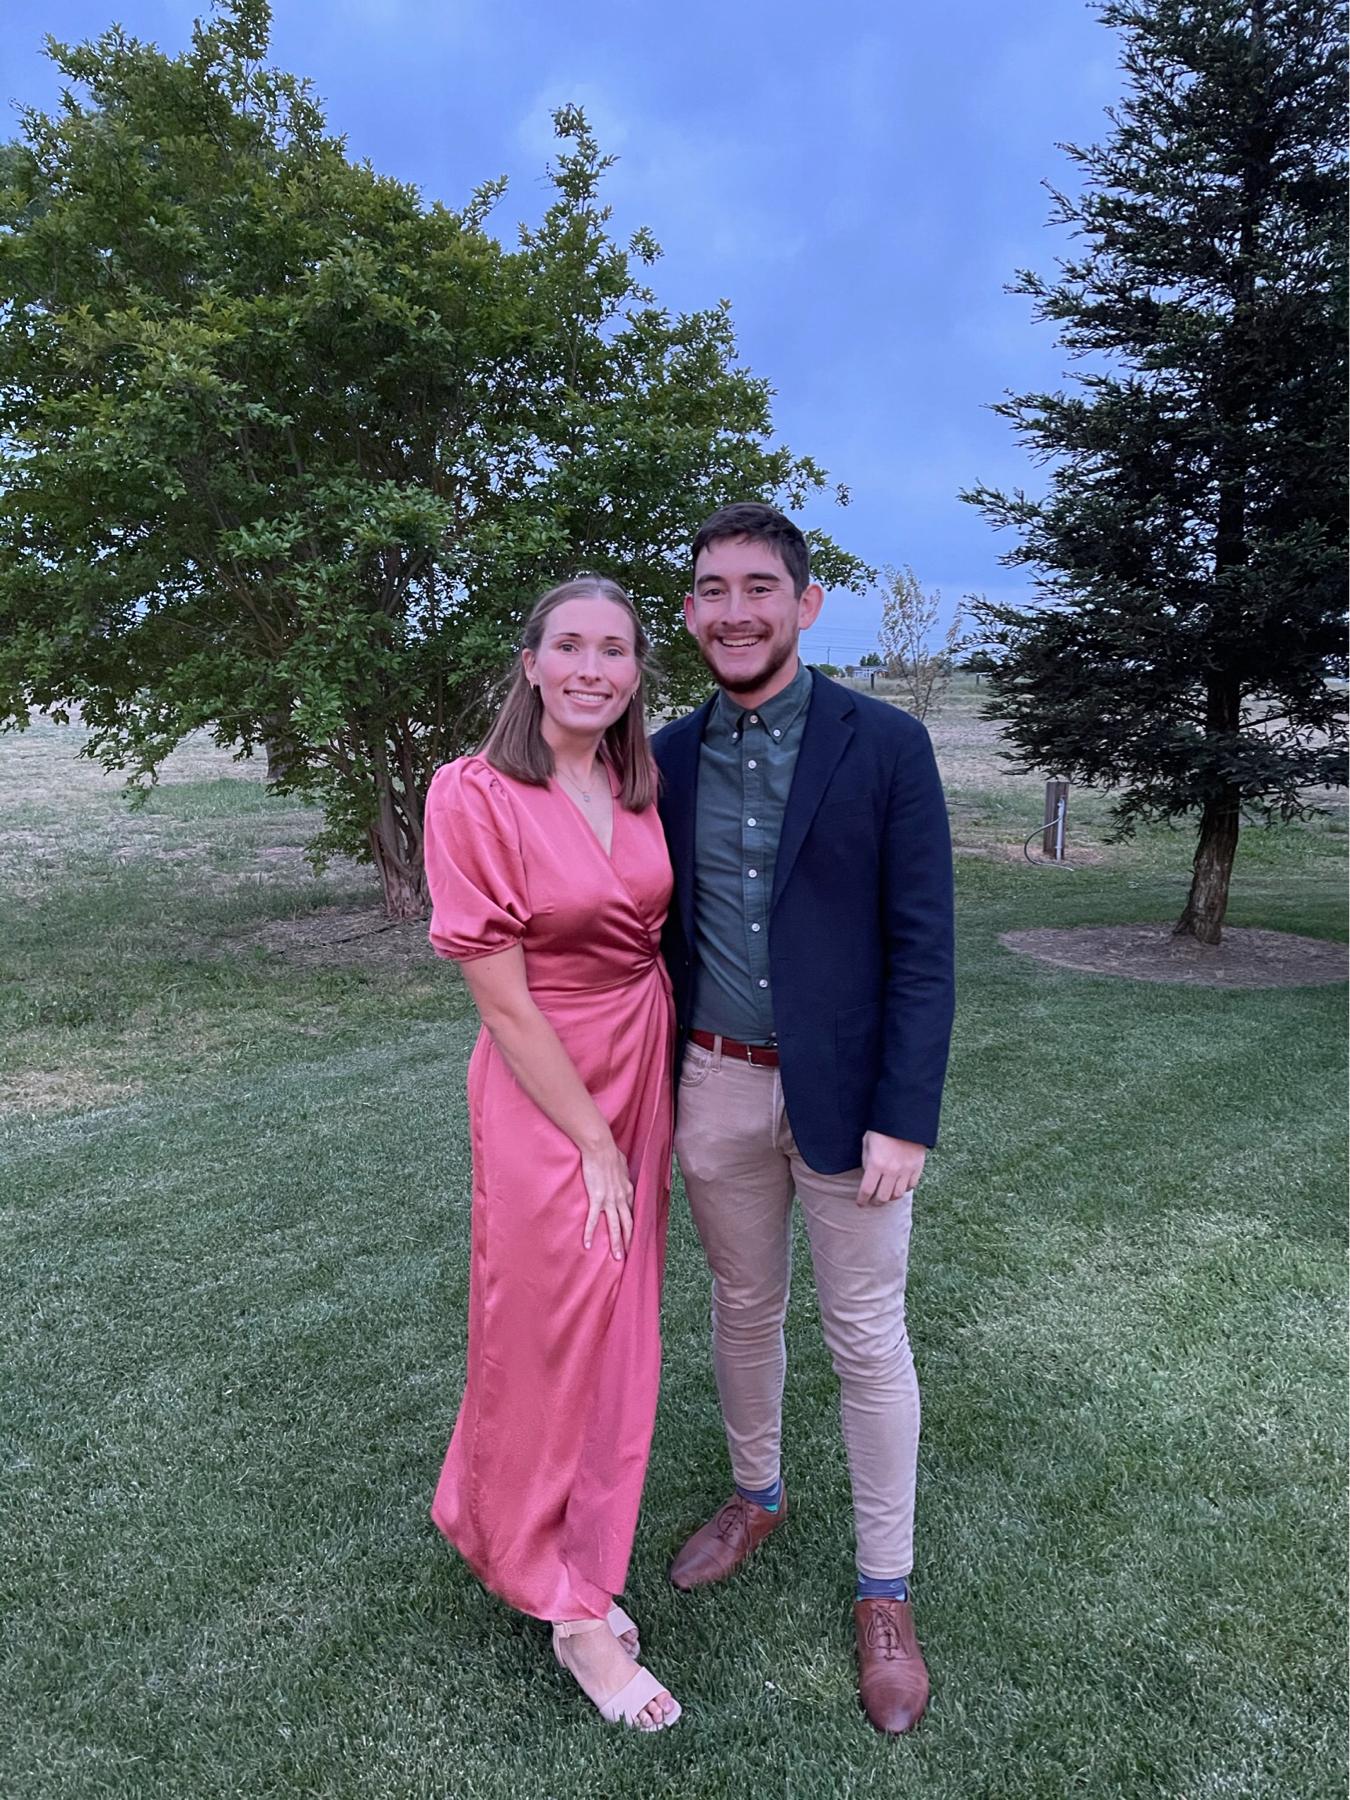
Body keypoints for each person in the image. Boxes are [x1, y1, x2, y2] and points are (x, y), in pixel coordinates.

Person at [652, 503, 955, 1735]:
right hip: (714, 1082)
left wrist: (905, 1117)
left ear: (806, 604)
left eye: (759, 588)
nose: (735, 612)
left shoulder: (886, 744)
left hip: (851, 1099)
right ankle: (757, 1493)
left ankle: (885, 1590)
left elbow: (923, 948)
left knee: (867, 1338)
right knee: (741, 1306)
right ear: (690, 613)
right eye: (713, 590)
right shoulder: (664, 757)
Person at [424, 576, 680, 1732]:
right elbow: (503, 1000)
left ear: (635, 671)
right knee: (547, 1326)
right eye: (569, 645)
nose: (592, 668)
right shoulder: (473, 795)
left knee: (620, 1331)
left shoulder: (638, 782)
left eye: (614, 649)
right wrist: (594, 1144)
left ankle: (573, 1557)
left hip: (641, 1065)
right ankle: (566, 1605)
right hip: (548, 1090)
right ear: (529, 663)